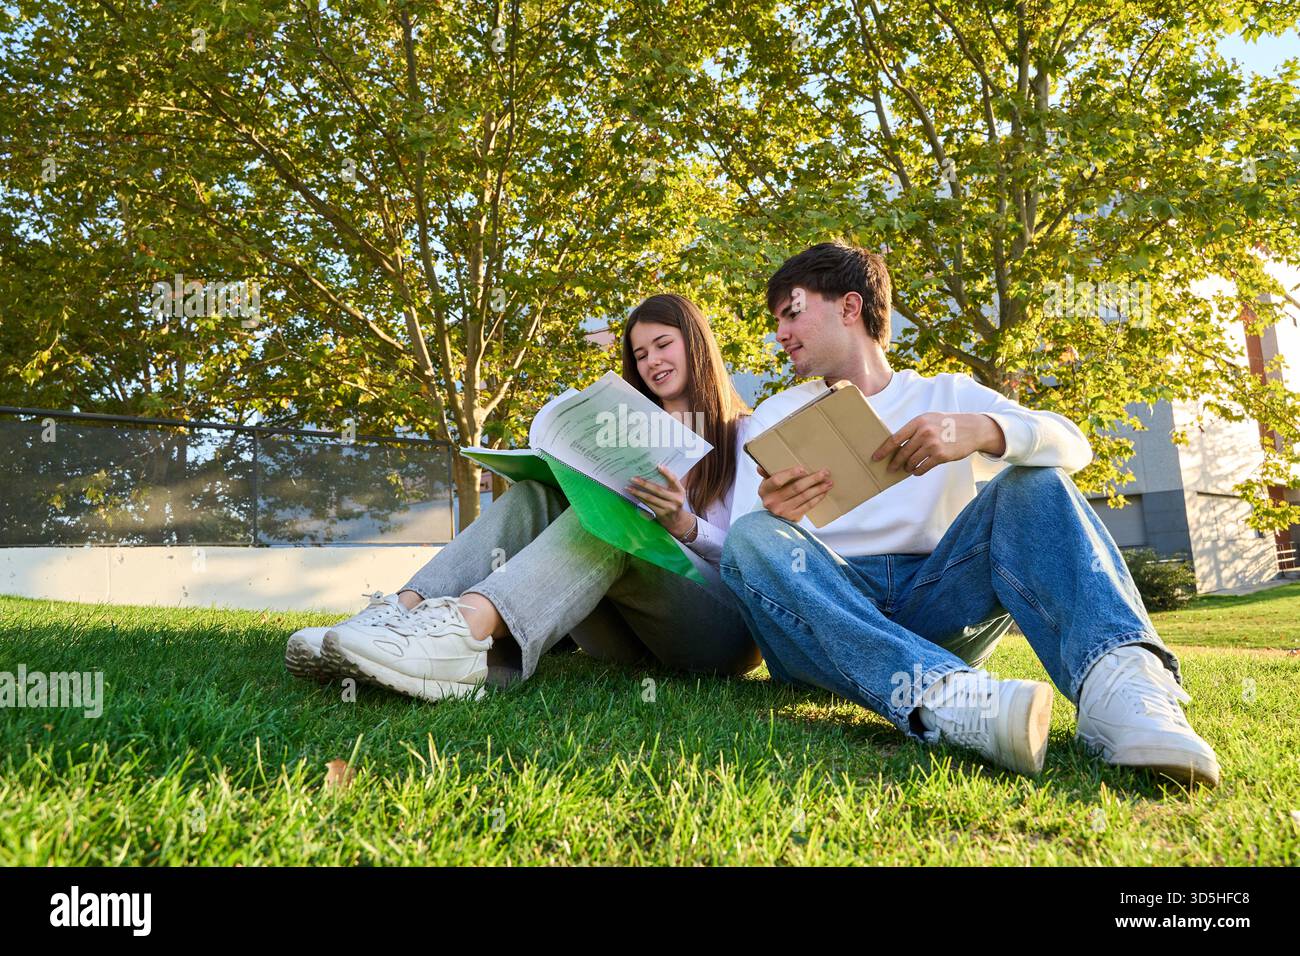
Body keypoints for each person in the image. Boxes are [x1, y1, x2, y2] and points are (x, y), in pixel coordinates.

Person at [719, 241, 1220, 787]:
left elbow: (1074, 446)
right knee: (752, 537)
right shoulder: (773, 414)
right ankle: (946, 696)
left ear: (850, 307)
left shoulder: (947, 394)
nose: (781, 335)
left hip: (939, 598)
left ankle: (1121, 694)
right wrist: (778, 514)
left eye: (792, 313)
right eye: (776, 323)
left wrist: (981, 430)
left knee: (1036, 480)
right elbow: (740, 550)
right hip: (825, 614)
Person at [285, 293, 761, 700]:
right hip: (630, 633)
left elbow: (754, 560)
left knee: (612, 523)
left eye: (662, 344)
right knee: (537, 494)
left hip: (718, 633)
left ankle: (462, 638)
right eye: (639, 354)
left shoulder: (745, 434)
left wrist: (683, 525)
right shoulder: (630, 429)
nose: (652, 361)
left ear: (695, 344)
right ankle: (395, 617)